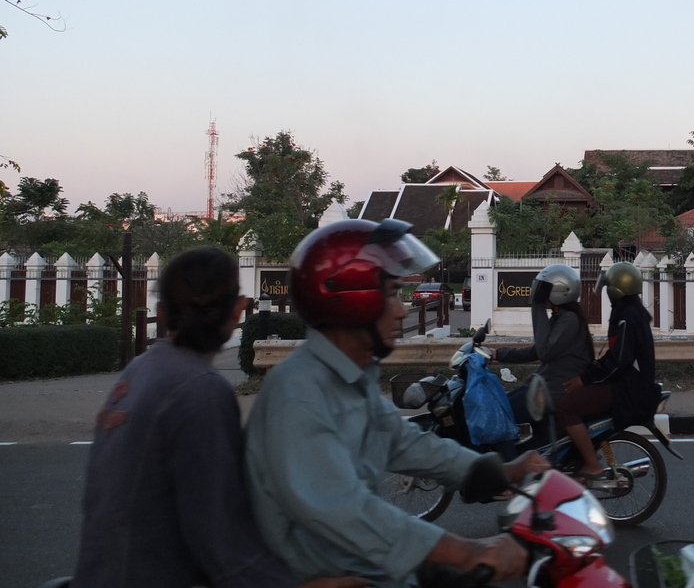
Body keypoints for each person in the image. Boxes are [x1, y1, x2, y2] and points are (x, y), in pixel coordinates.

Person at [243, 219, 549, 588]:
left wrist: (490, 469)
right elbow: (342, 509)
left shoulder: (351, 377)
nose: (403, 310)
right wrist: (464, 551)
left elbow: (404, 441)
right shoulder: (299, 391)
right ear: (349, 299)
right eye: (390, 293)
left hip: (371, 570)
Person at [73, 246, 366, 588]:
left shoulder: (138, 371)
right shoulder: (201, 390)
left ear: (162, 312)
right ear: (238, 311)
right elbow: (220, 537)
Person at [558, 261, 660, 481]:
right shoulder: (629, 313)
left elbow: (618, 362)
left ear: (617, 289)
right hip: (627, 384)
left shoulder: (626, 317)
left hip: (628, 390)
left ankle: (592, 465)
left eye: (608, 288)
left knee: (566, 406)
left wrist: (585, 379)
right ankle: (580, 456)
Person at [494, 263, 593, 426]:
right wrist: (499, 354)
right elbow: (537, 350)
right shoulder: (561, 317)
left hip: (554, 390)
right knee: (501, 403)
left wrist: (537, 306)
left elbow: (544, 351)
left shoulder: (569, 320)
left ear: (560, 291)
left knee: (502, 417)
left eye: (543, 290)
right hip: (545, 385)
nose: (539, 294)